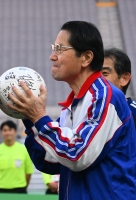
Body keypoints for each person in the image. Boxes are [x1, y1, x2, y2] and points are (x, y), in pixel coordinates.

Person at [8, 21, 136, 199]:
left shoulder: (106, 96)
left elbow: (78, 155)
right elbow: (49, 160)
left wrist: (39, 116)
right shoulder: (73, 105)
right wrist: (28, 117)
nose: (52, 56)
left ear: (86, 58)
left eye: (60, 49)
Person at [0, 120, 34, 194]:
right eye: (5, 130)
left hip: (20, 189)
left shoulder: (24, 149)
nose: (7, 133)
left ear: (15, 132)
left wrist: (23, 186)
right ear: (1, 133)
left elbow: (28, 172)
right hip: (2, 190)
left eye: (10, 130)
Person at [102, 48, 136, 124]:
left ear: (124, 79)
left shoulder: (133, 114)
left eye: (104, 73)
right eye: (95, 74)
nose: (98, 79)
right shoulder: (90, 114)